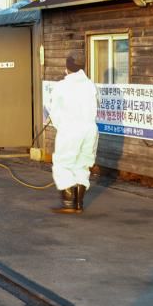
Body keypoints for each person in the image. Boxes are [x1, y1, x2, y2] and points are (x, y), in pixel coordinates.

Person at [47, 52, 99, 214]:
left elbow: (53, 110)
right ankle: (79, 204)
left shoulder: (62, 86)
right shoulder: (91, 85)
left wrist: (61, 126)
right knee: (82, 164)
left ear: (67, 67)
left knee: (63, 164)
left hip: (70, 129)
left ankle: (69, 204)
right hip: (90, 129)